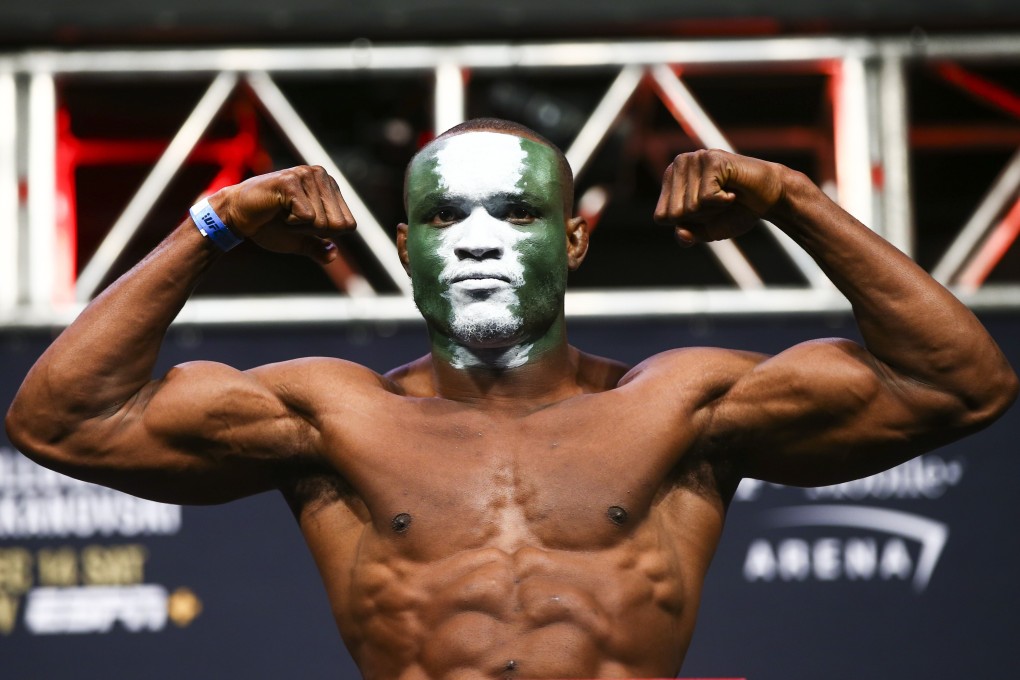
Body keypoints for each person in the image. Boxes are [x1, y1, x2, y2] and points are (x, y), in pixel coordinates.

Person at [5, 117, 1017, 679]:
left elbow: (960, 381)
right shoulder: (332, 416)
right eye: (446, 215)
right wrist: (213, 222)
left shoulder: (683, 405)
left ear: (573, 239)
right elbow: (62, 417)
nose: (481, 238)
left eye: (518, 210)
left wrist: (796, 199)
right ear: (404, 250)